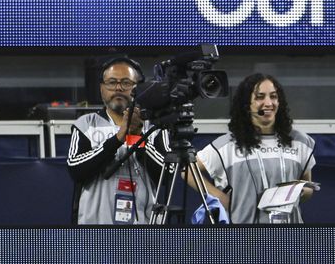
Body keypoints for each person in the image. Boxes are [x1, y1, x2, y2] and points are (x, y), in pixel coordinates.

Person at [191, 73, 316, 224]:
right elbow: (188, 170)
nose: (268, 103)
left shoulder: (300, 141)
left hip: (289, 239)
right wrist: (217, 195)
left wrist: (299, 192)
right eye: (260, 97)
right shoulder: (227, 145)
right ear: (247, 105)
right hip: (244, 239)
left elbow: (308, 188)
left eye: (274, 96)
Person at [67, 56, 170, 225]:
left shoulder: (156, 126)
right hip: (94, 231)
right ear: (102, 88)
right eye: (112, 82)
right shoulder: (85, 124)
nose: (118, 88)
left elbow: (166, 176)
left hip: (144, 232)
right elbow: (76, 171)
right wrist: (117, 139)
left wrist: (137, 137)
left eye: (126, 83)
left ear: (138, 88)